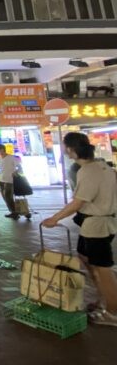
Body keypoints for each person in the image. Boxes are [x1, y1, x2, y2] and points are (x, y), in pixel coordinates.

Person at [42, 134, 117, 326]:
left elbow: (78, 203)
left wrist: (54, 218)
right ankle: (103, 301)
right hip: (97, 223)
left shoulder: (89, 171)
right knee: (86, 258)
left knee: (103, 268)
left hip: (96, 225)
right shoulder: (103, 167)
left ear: (71, 149)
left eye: (65, 147)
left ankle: (113, 312)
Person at [0, 144, 19, 219]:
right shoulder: (0, 158)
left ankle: (15, 212)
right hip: (1, 179)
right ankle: (12, 211)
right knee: (4, 197)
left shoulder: (11, 157)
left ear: (2, 149)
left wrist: (15, 172)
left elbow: (19, 166)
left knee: (8, 197)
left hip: (9, 180)